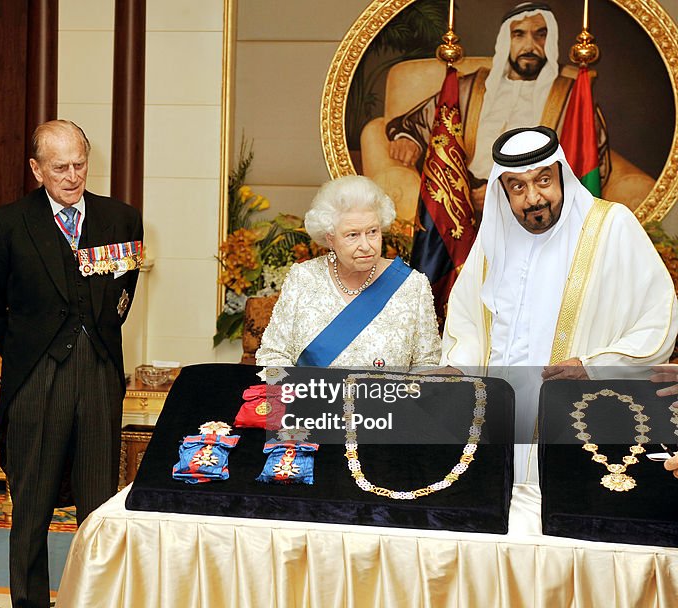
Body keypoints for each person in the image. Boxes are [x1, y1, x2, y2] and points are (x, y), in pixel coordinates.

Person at [441, 125, 678, 482]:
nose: (533, 197)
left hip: (581, 418)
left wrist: (593, 366)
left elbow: (657, 321)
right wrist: (458, 368)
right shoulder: (493, 242)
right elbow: (469, 324)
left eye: (543, 180)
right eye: (517, 186)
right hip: (499, 423)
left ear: (562, 175)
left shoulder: (612, 226)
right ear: (502, 191)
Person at [0, 119, 143, 608]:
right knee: (31, 506)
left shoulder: (122, 219)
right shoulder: (9, 223)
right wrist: (27, 350)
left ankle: (94, 597)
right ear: (36, 169)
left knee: (97, 503)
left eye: (80, 165)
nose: (72, 176)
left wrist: (99, 337)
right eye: (60, 167)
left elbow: (125, 289)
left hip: (99, 372)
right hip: (36, 377)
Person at [386, 2, 609, 212]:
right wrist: (408, 139)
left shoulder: (571, 96)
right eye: (519, 34)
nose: (530, 45)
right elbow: (427, 119)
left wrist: (506, 192)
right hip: (463, 200)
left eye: (540, 35)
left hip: (532, 205)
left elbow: (591, 161)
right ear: (506, 41)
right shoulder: (470, 86)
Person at [256, 175, 440, 370]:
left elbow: (426, 364)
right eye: (353, 235)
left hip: (387, 399)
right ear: (330, 239)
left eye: (372, 232)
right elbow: (273, 355)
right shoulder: (303, 278)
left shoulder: (412, 285)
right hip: (312, 399)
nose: (366, 246)